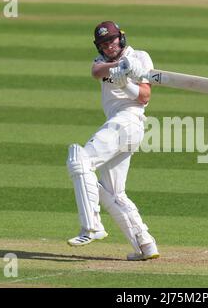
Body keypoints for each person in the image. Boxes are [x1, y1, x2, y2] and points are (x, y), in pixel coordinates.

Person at [65, 21, 159, 261]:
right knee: (114, 192)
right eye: (104, 43)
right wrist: (119, 67)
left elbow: (145, 96)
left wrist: (126, 82)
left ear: (122, 38)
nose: (109, 45)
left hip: (128, 121)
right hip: (123, 128)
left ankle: (92, 226)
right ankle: (145, 244)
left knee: (80, 160)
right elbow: (96, 72)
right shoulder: (102, 62)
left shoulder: (140, 57)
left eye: (113, 40)